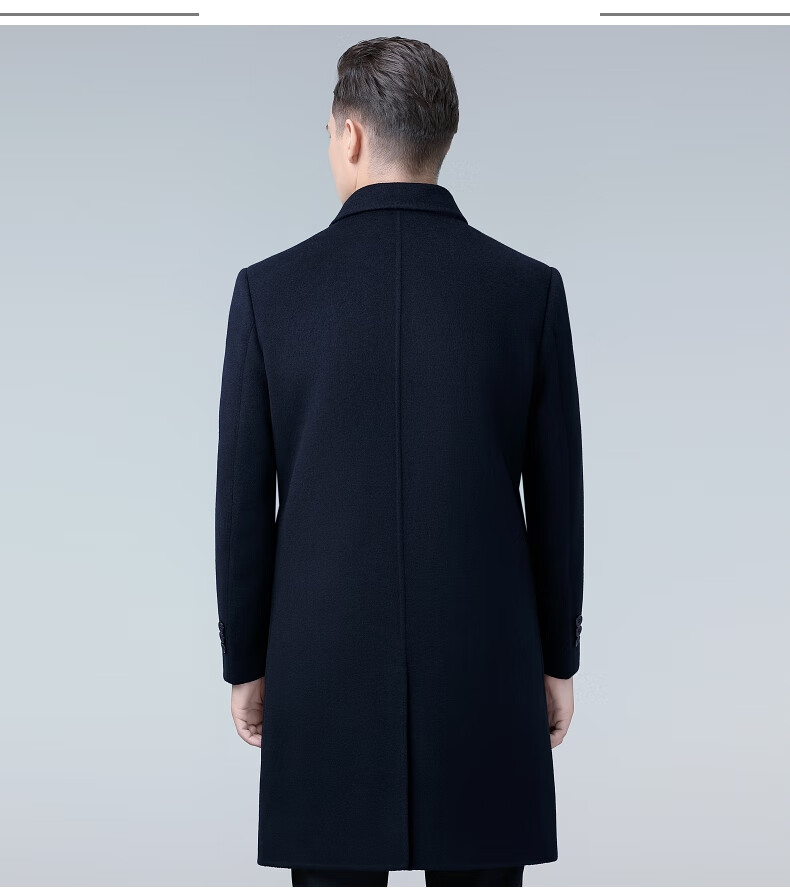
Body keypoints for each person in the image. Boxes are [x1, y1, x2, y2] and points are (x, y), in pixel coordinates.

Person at [215, 36, 584, 888]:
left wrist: (247, 663)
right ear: (441, 136)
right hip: (487, 665)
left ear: (349, 135)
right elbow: (558, 498)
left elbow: (242, 506)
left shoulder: (270, 292)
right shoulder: (528, 291)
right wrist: (557, 657)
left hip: (320, 666)